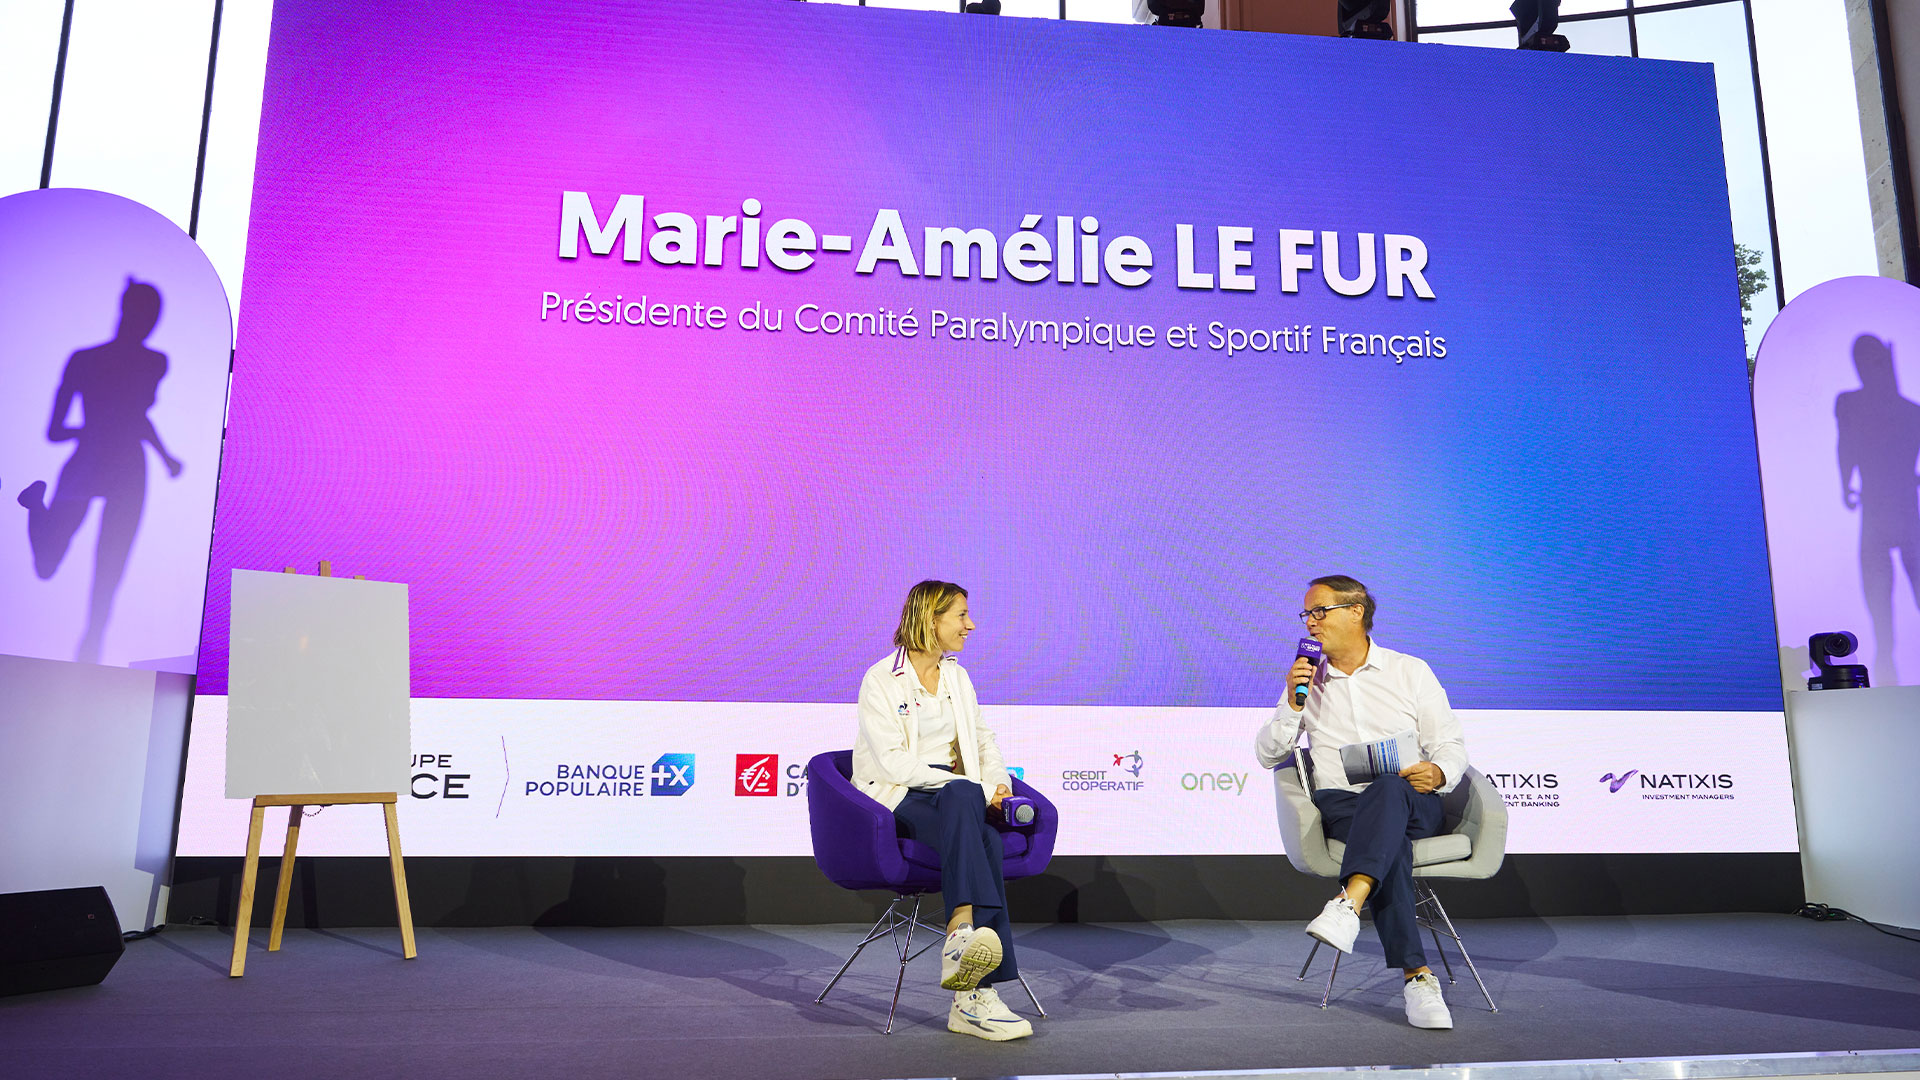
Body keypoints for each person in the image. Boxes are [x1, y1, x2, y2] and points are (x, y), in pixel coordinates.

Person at [1254, 575, 1468, 1030]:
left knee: (1389, 788)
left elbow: (1449, 745)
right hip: (1344, 808)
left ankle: (1348, 904)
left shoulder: (1410, 671)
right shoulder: (1307, 680)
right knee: (1387, 845)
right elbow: (1269, 754)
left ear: (1356, 612)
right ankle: (1417, 978)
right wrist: (1295, 704)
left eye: (1319, 611)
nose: (1310, 623)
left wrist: (1440, 772)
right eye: (1306, 614)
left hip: (1414, 800)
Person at [851, 580, 1032, 1041]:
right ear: (931, 619)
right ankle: (975, 992)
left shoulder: (957, 675)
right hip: (901, 796)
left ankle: (964, 958)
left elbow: (984, 740)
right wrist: (970, 786)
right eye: (961, 615)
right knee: (963, 800)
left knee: (983, 831)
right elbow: (892, 762)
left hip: (955, 798)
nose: (970, 625)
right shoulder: (880, 679)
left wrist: (996, 785)